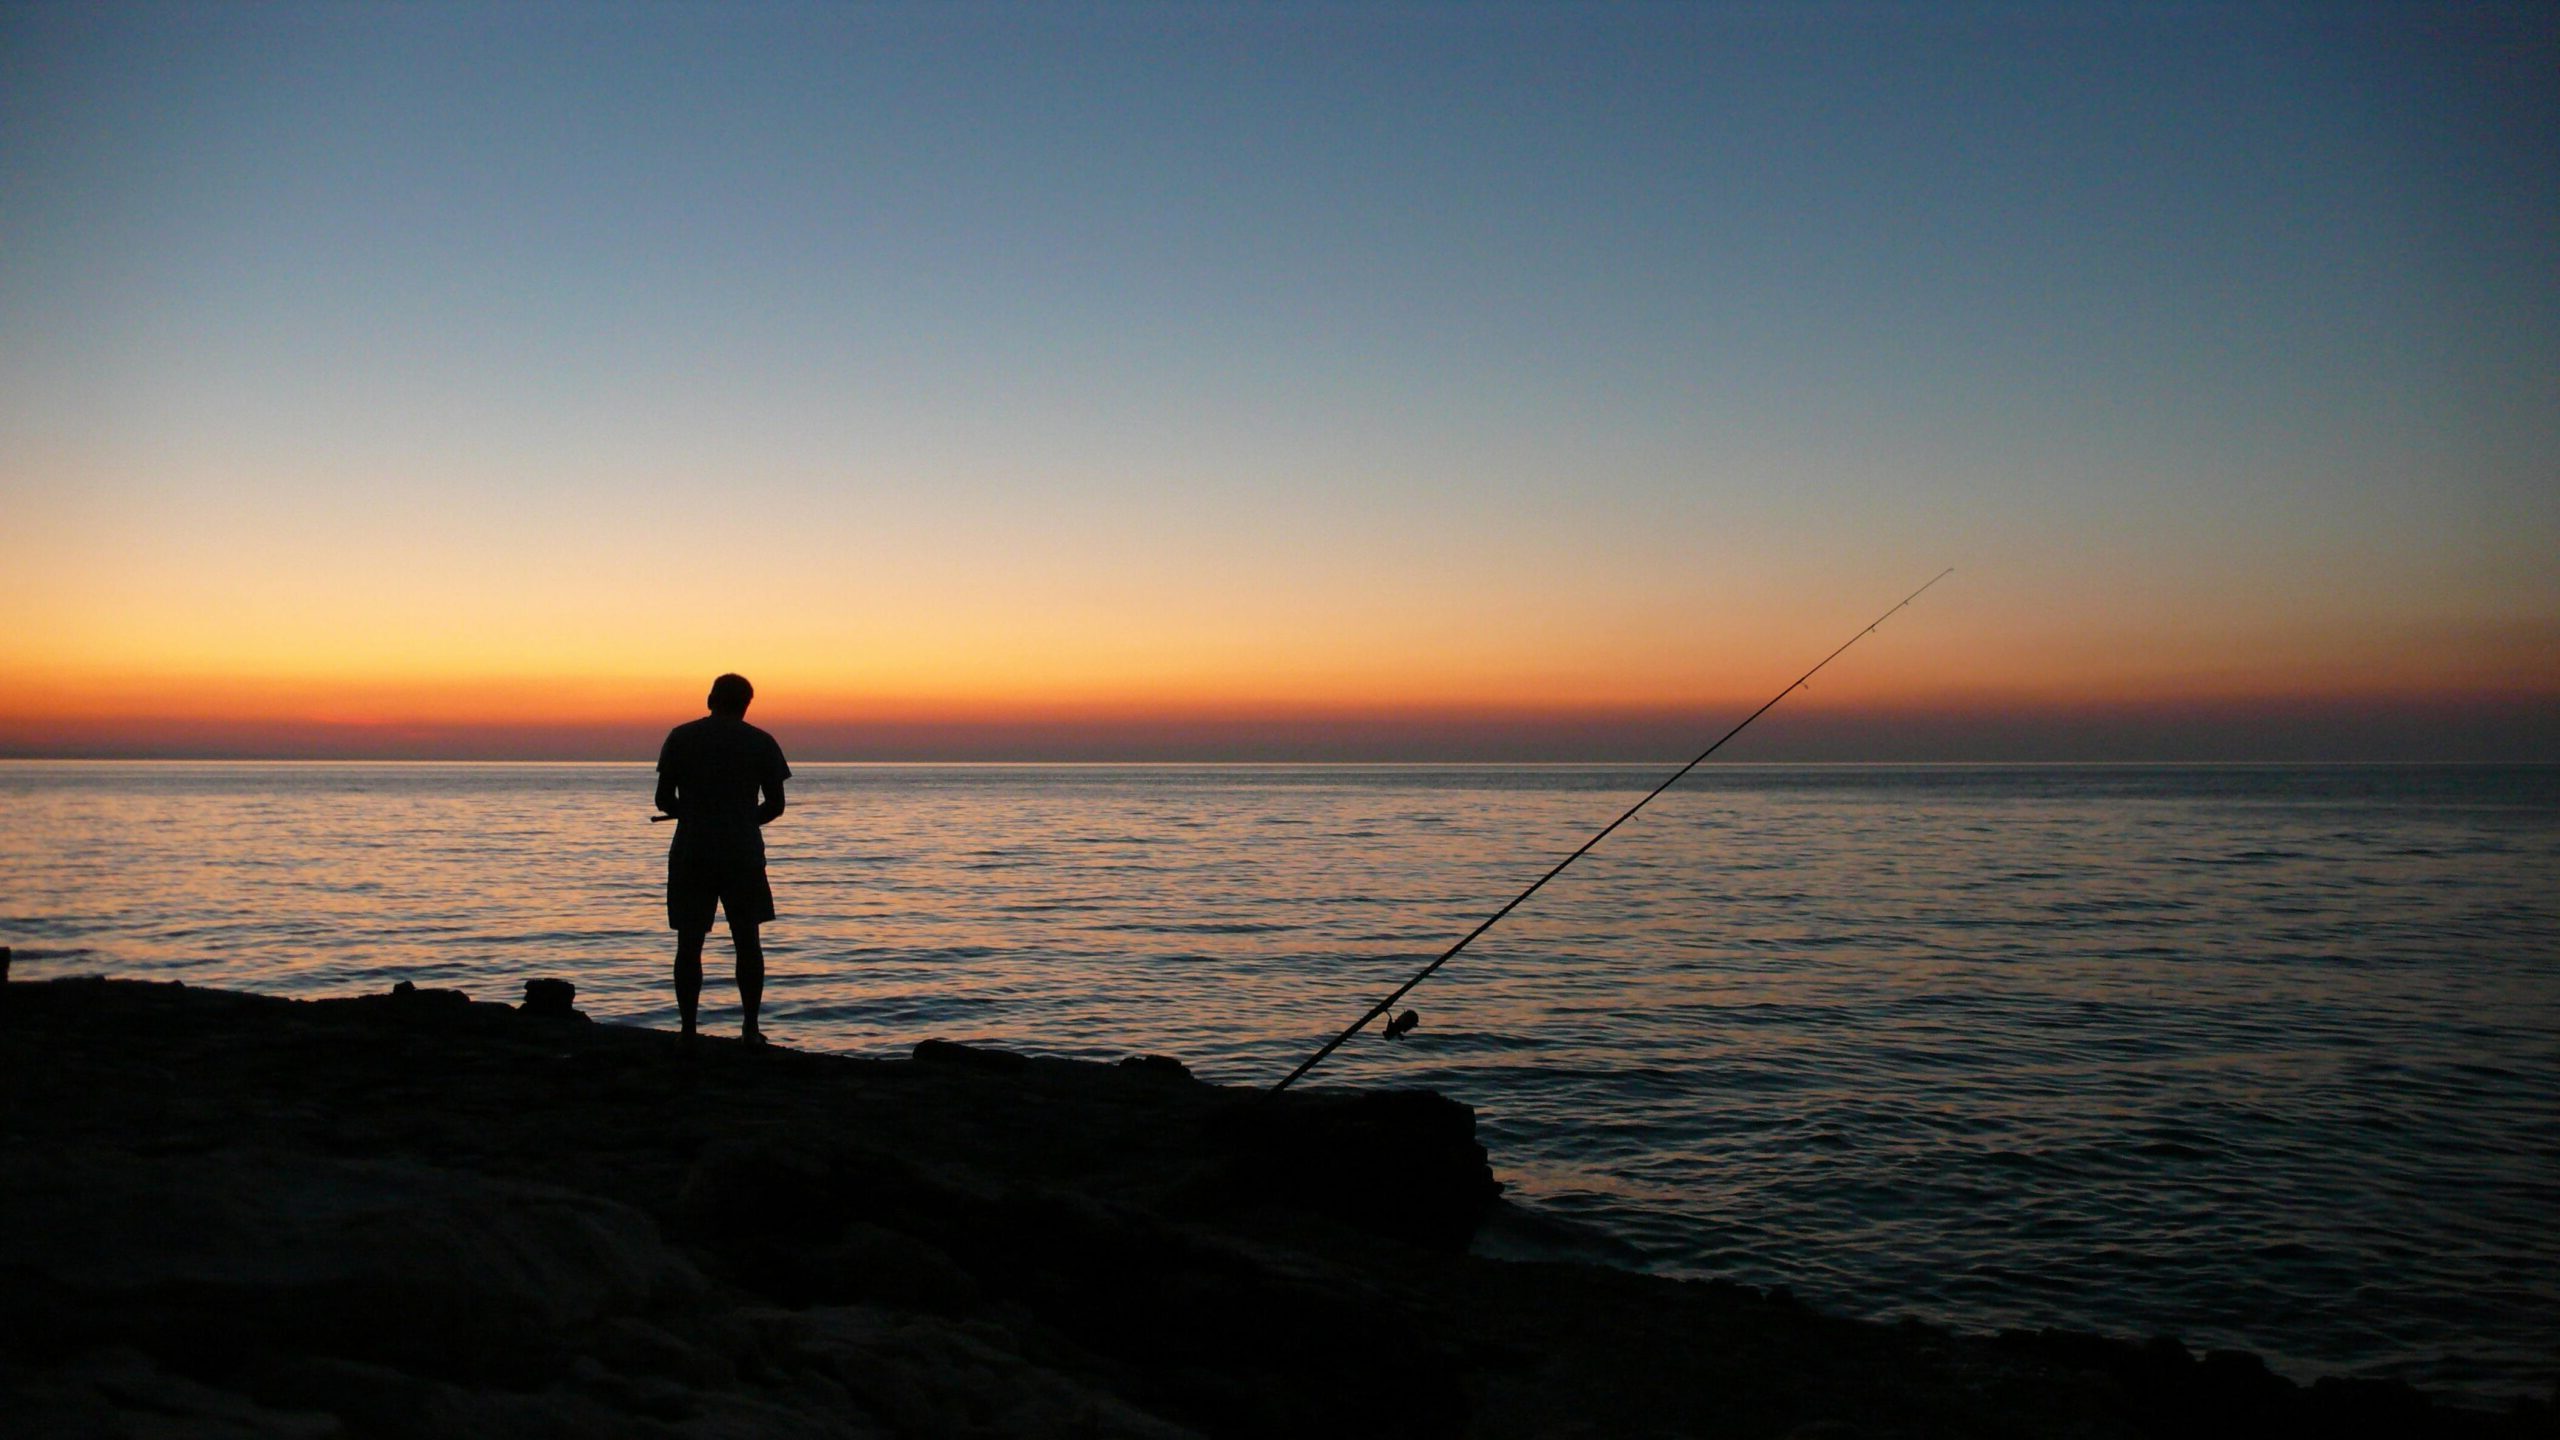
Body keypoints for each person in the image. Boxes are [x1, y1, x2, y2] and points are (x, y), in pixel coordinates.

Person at [657, 673, 790, 1044]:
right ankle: (750, 1028)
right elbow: (776, 806)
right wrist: (744, 819)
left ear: (710, 698)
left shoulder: (681, 737)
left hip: (691, 851)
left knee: (689, 943)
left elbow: (664, 800)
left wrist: (695, 813)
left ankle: (688, 1029)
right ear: (747, 703)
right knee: (747, 940)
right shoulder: (762, 742)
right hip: (742, 853)